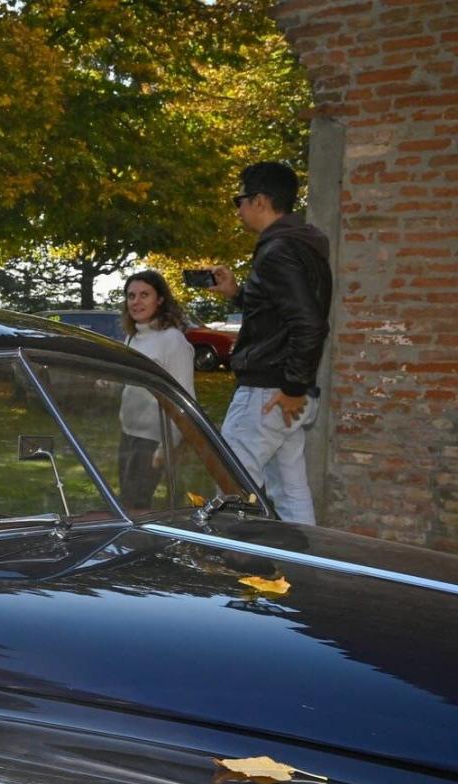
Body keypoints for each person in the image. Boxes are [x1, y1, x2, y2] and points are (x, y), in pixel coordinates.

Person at [208, 161, 332, 524]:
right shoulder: (303, 246)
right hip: (284, 393)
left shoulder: (279, 250)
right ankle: (305, 570)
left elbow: (309, 324)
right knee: (290, 492)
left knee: (231, 482)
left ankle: (234, 567)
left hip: (270, 393)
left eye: (240, 199)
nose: (239, 208)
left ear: (260, 200)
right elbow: (279, 315)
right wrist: (237, 295)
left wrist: (294, 386)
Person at [117, 269, 195, 510]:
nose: (136, 302)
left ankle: (140, 547)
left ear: (160, 299)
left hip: (154, 438)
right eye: (131, 296)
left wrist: (167, 445)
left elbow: (185, 398)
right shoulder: (133, 337)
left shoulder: (173, 340)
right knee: (126, 504)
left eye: (144, 295)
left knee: (136, 506)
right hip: (128, 433)